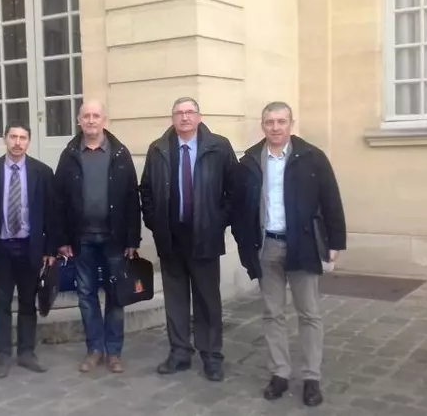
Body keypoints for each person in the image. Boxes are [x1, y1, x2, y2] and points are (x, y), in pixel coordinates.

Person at [231, 101, 346, 407]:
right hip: (267, 245)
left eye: (281, 121)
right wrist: (245, 244)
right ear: (262, 126)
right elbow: (240, 208)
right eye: (270, 122)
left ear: (291, 124)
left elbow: (331, 199)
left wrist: (336, 241)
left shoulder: (312, 157)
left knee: (309, 313)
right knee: (272, 313)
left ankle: (311, 377)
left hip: (303, 244)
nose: (276, 127)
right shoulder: (251, 161)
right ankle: (279, 373)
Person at [140, 96, 236, 382]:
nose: (184, 117)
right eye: (179, 113)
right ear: (172, 118)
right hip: (171, 236)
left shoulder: (219, 147)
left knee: (208, 299)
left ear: (199, 116)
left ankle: (211, 356)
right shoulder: (158, 149)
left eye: (189, 112)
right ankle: (180, 352)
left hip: (205, 235)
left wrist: (219, 220)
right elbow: (145, 189)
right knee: (176, 299)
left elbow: (234, 188)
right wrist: (155, 222)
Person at [54, 100, 141, 373]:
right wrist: (62, 238)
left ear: (105, 120)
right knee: (86, 295)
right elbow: (59, 201)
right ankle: (94, 349)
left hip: (114, 238)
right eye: (86, 116)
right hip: (82, 239)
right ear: (79, 121)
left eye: (96, 116)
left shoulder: (120, 153)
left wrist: (132, 240)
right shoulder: (69, 155)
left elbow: (131, 199)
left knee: (116, 294)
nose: (91, 120)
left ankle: (113, 351)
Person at [0, 121, 58, 378]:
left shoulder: (42, 172)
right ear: (5, 139)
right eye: (13, 137)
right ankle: (2, 355)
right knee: (1, 303)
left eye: (23, 138)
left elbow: (51, 213)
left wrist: (49, 248)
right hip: (1, 247)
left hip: (29, 247)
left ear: (29, 141)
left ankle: (26, 352)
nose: (17, 143)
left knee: (27, 302)